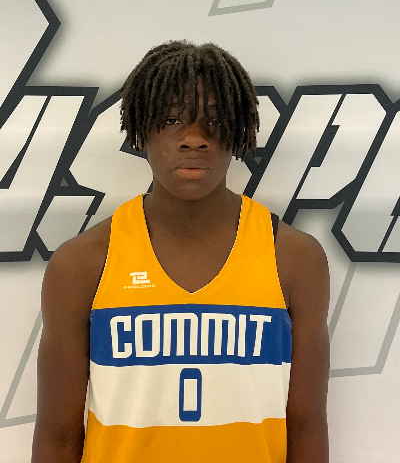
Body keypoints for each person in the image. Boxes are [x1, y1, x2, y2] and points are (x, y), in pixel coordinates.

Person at [31, 40, 330, 463]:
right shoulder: (82, 263)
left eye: (214, 121)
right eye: (172, 120)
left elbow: (306, 426)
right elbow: (57, 436)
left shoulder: (295, 259)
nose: (194, 139)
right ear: (141, 131)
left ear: (239, 131)